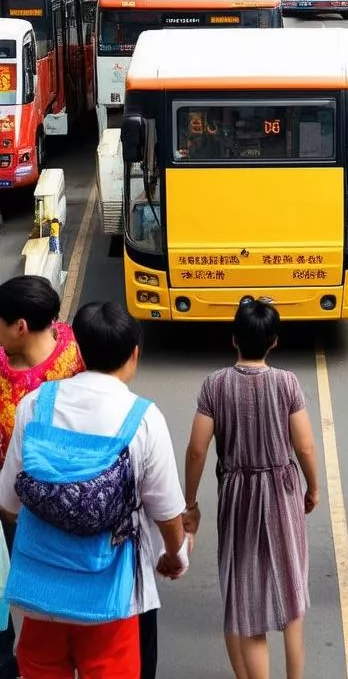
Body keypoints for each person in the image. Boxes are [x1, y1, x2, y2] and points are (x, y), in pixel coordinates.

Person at [0, 302, 187, 679]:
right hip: (110, 600)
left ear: (80, 350)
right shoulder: (143, 419)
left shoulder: (34, 406)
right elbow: (167, 512)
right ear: (134, 354)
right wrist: (174, 554)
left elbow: (9, 504)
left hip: (40, 595)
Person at [183, 300, 318, 679]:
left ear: (233, 340)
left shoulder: (215, 385)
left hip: (237, 493)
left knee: (244, 599)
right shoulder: (286, 383)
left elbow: (197, 450)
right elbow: (304, 446)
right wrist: (313, 488)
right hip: (281, 489)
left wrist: (190, 504)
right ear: (273, 342)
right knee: (291, 597)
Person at [0, 277, 84, 679]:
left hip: (61, 504)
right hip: (17, 508)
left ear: (19, 326)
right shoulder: (66, 346)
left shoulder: (74, 357)